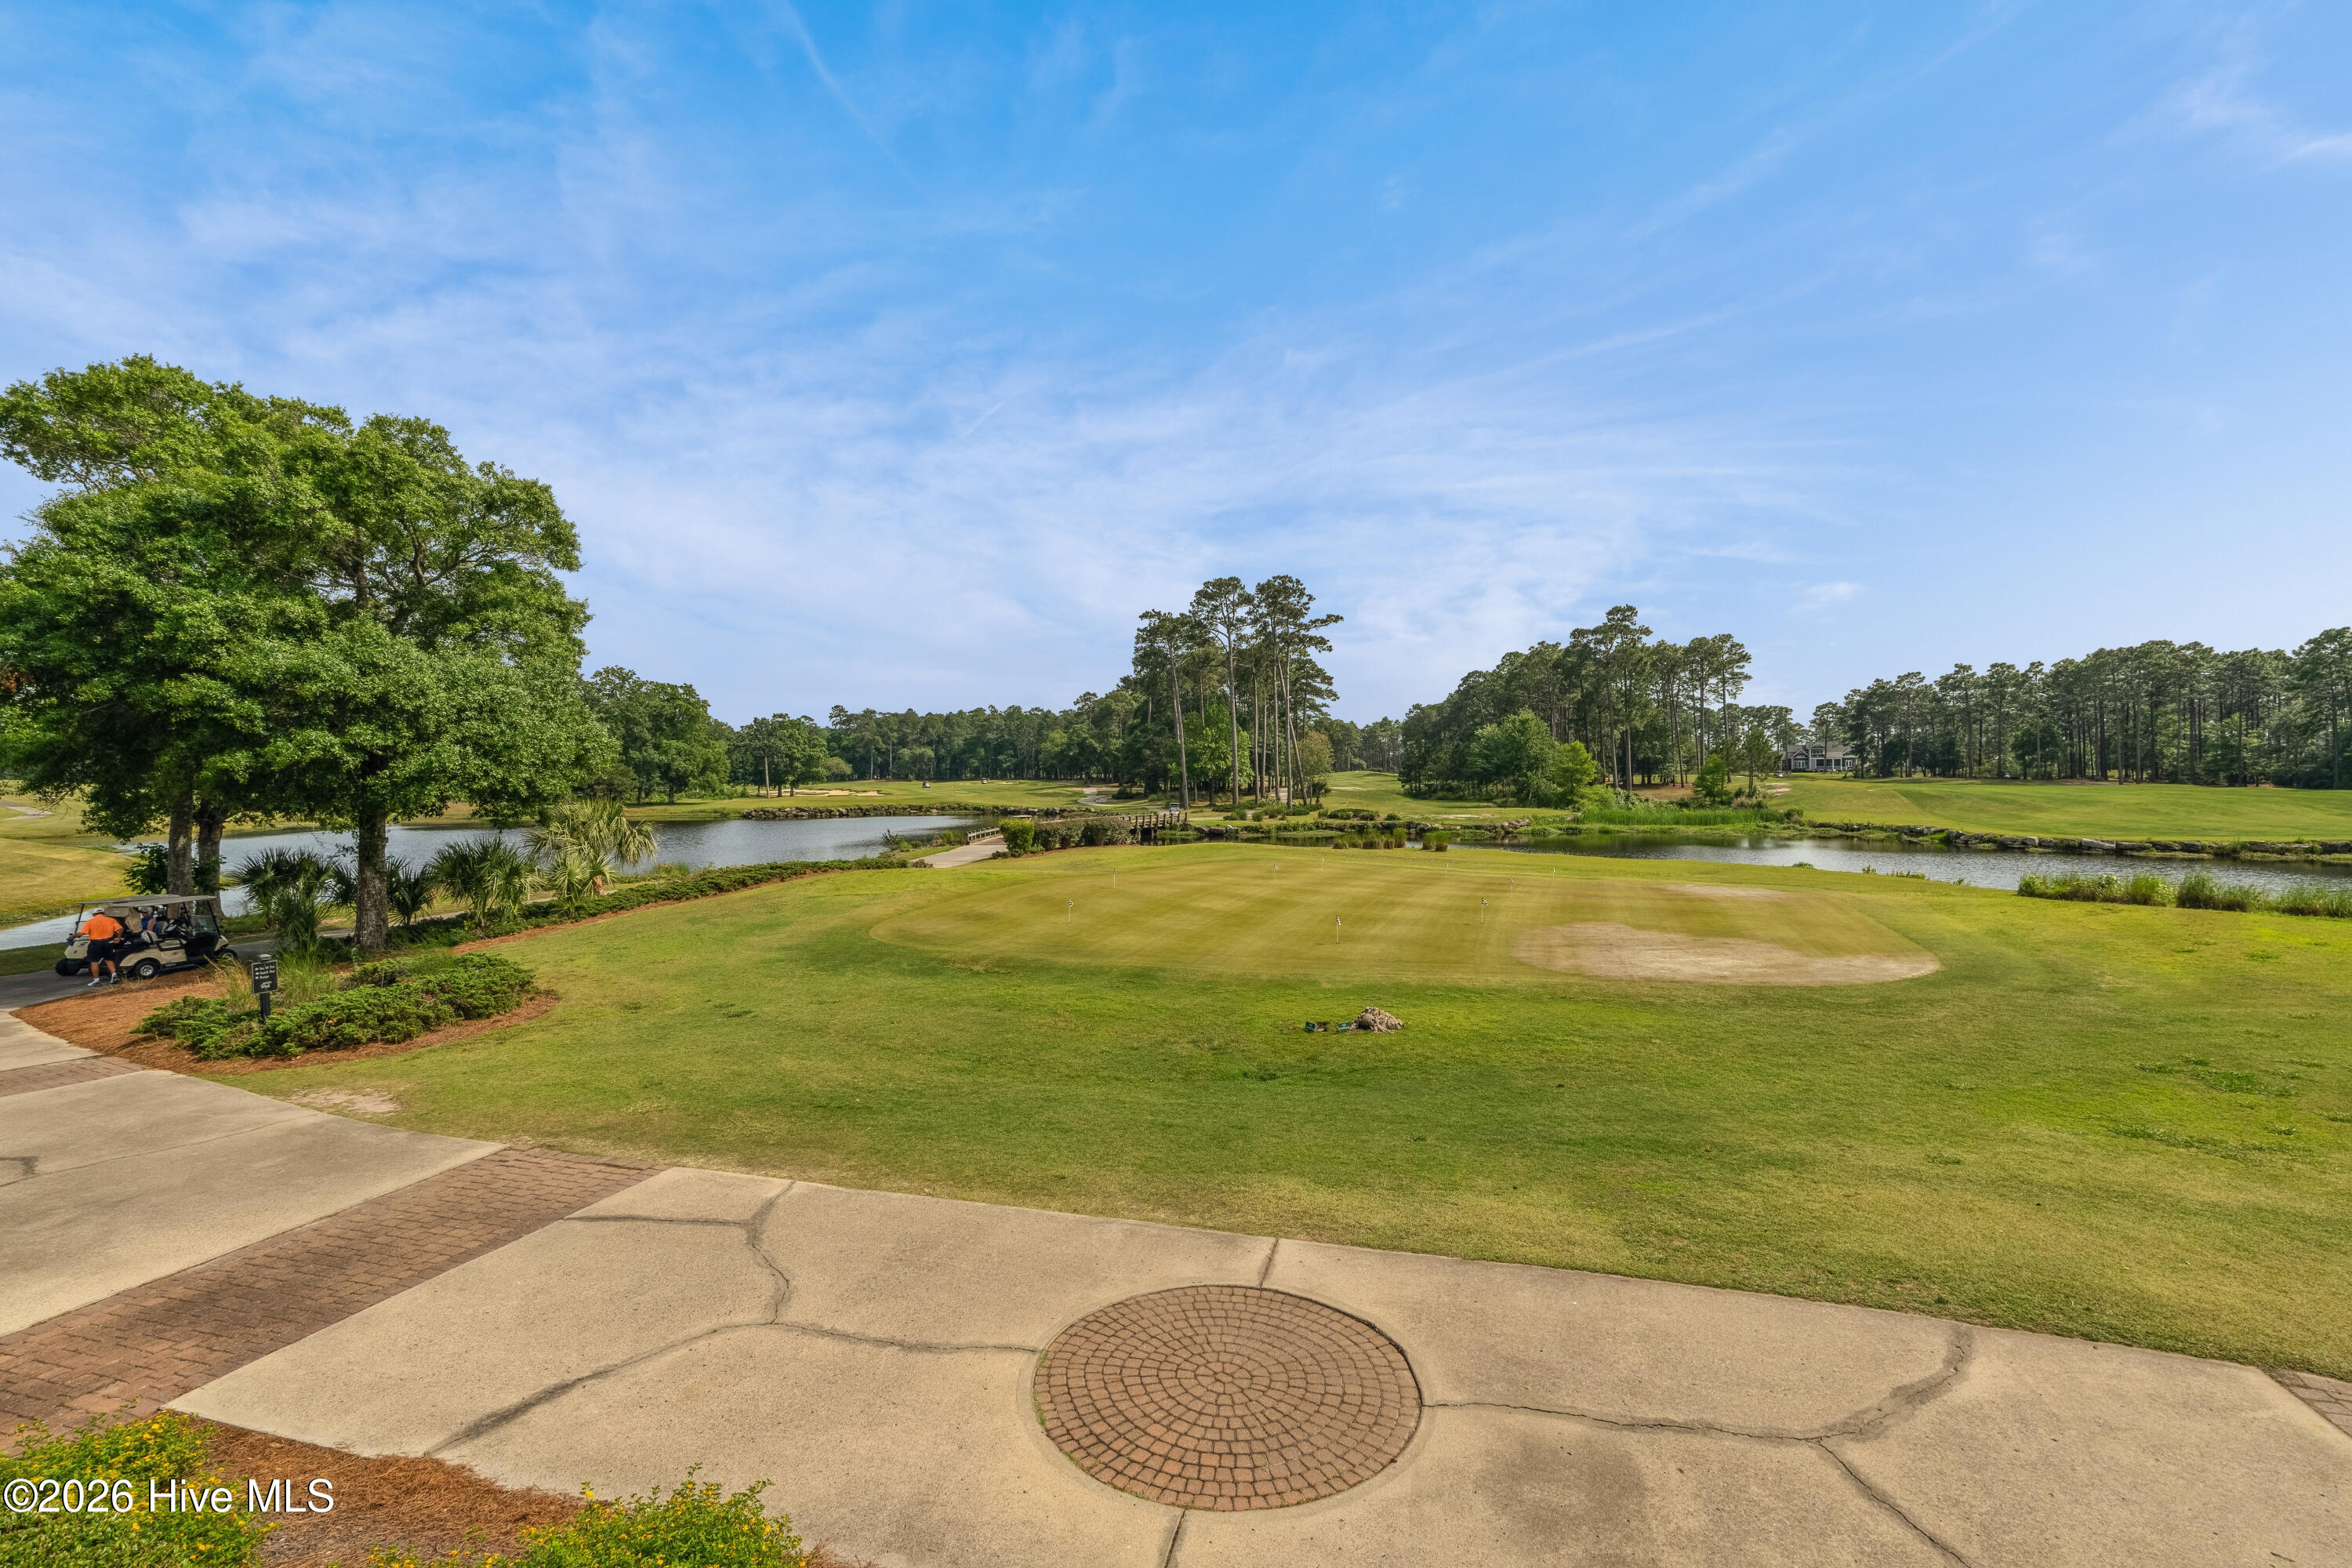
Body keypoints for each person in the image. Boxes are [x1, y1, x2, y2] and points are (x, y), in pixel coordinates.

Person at [81, 907, 125, 986]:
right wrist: (118, 937)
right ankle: (114, 977)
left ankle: (96, 981)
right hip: (108, 942)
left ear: (93, 914)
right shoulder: (111, 920)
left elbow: (82, 933)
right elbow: (121, 929)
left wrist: (72, 937)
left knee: (94, 962)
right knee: (109, 960)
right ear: (103, 913)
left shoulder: (90, 922)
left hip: (95, 944)